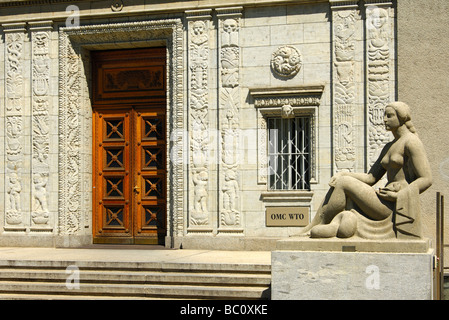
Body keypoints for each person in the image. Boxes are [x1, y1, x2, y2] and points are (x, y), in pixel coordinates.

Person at [302, 102, 432, 239]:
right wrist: (343, 173)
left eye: (389, 116)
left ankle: (321, 224)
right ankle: (323, 224)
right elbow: (371, 178)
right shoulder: (389, 146)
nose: (384, 119)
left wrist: (399, 195)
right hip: (383, 199)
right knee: (341, 180)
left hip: (394, 204)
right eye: (384, 115)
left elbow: (426, 179)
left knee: (344, 183)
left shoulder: (411, 142)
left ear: (402, 118)